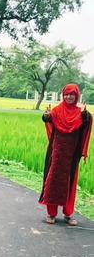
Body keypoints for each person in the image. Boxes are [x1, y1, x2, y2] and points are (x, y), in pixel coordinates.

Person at [39, 84, 92, 226]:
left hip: (72, 155)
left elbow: (86, 123)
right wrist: (45, 116)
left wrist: (87, 117)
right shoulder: (57, 111)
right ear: (63, 95)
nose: (69, 97)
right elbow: (47, 119)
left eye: (72, 94)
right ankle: (51, 214)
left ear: (77, 96)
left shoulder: (80, 113)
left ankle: (68, 214)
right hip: (57, 153)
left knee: (71, 181)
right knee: (53, 181)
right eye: (66, 94)